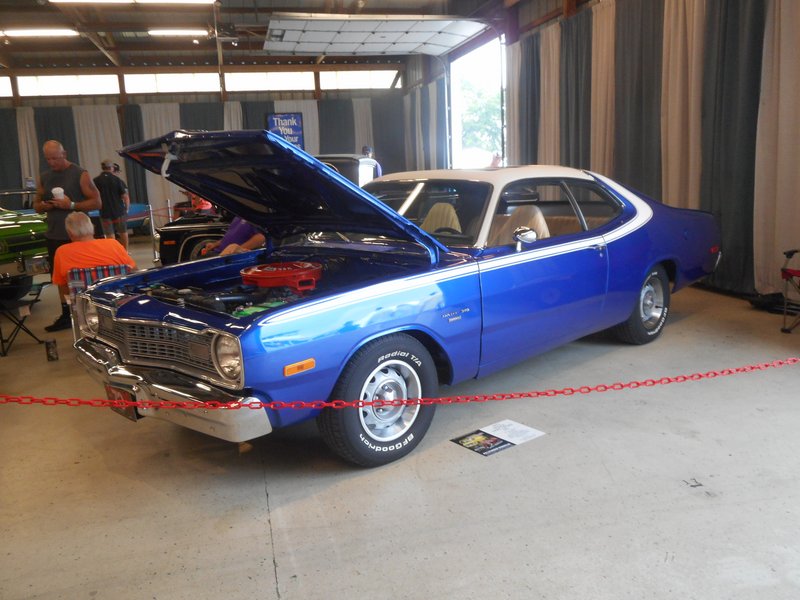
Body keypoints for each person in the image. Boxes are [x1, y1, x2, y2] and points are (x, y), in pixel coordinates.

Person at [32, 140, 101, 331]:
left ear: (64, 154)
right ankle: (67, 313)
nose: (52, 162)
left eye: (55, 158)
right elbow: (36, 204)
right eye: (48, 159)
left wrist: (71, 206)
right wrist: (43, 206)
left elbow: (97, 202)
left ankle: (91, 309)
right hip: (54, 233)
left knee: (84, 275)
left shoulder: (80, 174)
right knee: (61, 278)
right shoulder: (45, 176)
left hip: (79, 236)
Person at [46, 212, 136, 331]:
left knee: (63, 282)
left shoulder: (62, 252)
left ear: (70, 232)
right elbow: (134, 271)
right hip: (119, 302)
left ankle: (68, 317)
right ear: (92, 228)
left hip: (86, 308)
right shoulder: (113, 244)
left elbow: (63, 285)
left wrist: (69, 304)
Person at [94, 158, 131, 250]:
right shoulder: (117, 180)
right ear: (112, 168)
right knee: (123, 231)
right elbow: (125, 196)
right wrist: (126, 208)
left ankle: (113, 252)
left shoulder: (96, 180)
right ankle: (125, 251)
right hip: (119, 210)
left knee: (109, 234)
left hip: (104, 211)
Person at [201, 216, 265, 257]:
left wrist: (237, 251)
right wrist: (214, 244)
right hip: (218, 253)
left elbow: (261, 237)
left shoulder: (254, 217)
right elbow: (231, 235)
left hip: (229, 258)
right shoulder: (238, 215)